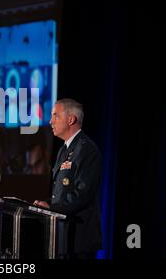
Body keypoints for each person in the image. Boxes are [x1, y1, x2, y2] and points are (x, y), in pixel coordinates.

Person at [33, 98, 103, 259]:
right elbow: (62, 192)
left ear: (71, 119)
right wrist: (47, 203)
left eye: (56, 116)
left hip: (79, 238)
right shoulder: (64, 150)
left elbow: (82, 194)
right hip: (63, 236)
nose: (50, 121)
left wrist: (52, 208)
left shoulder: (87, 150)